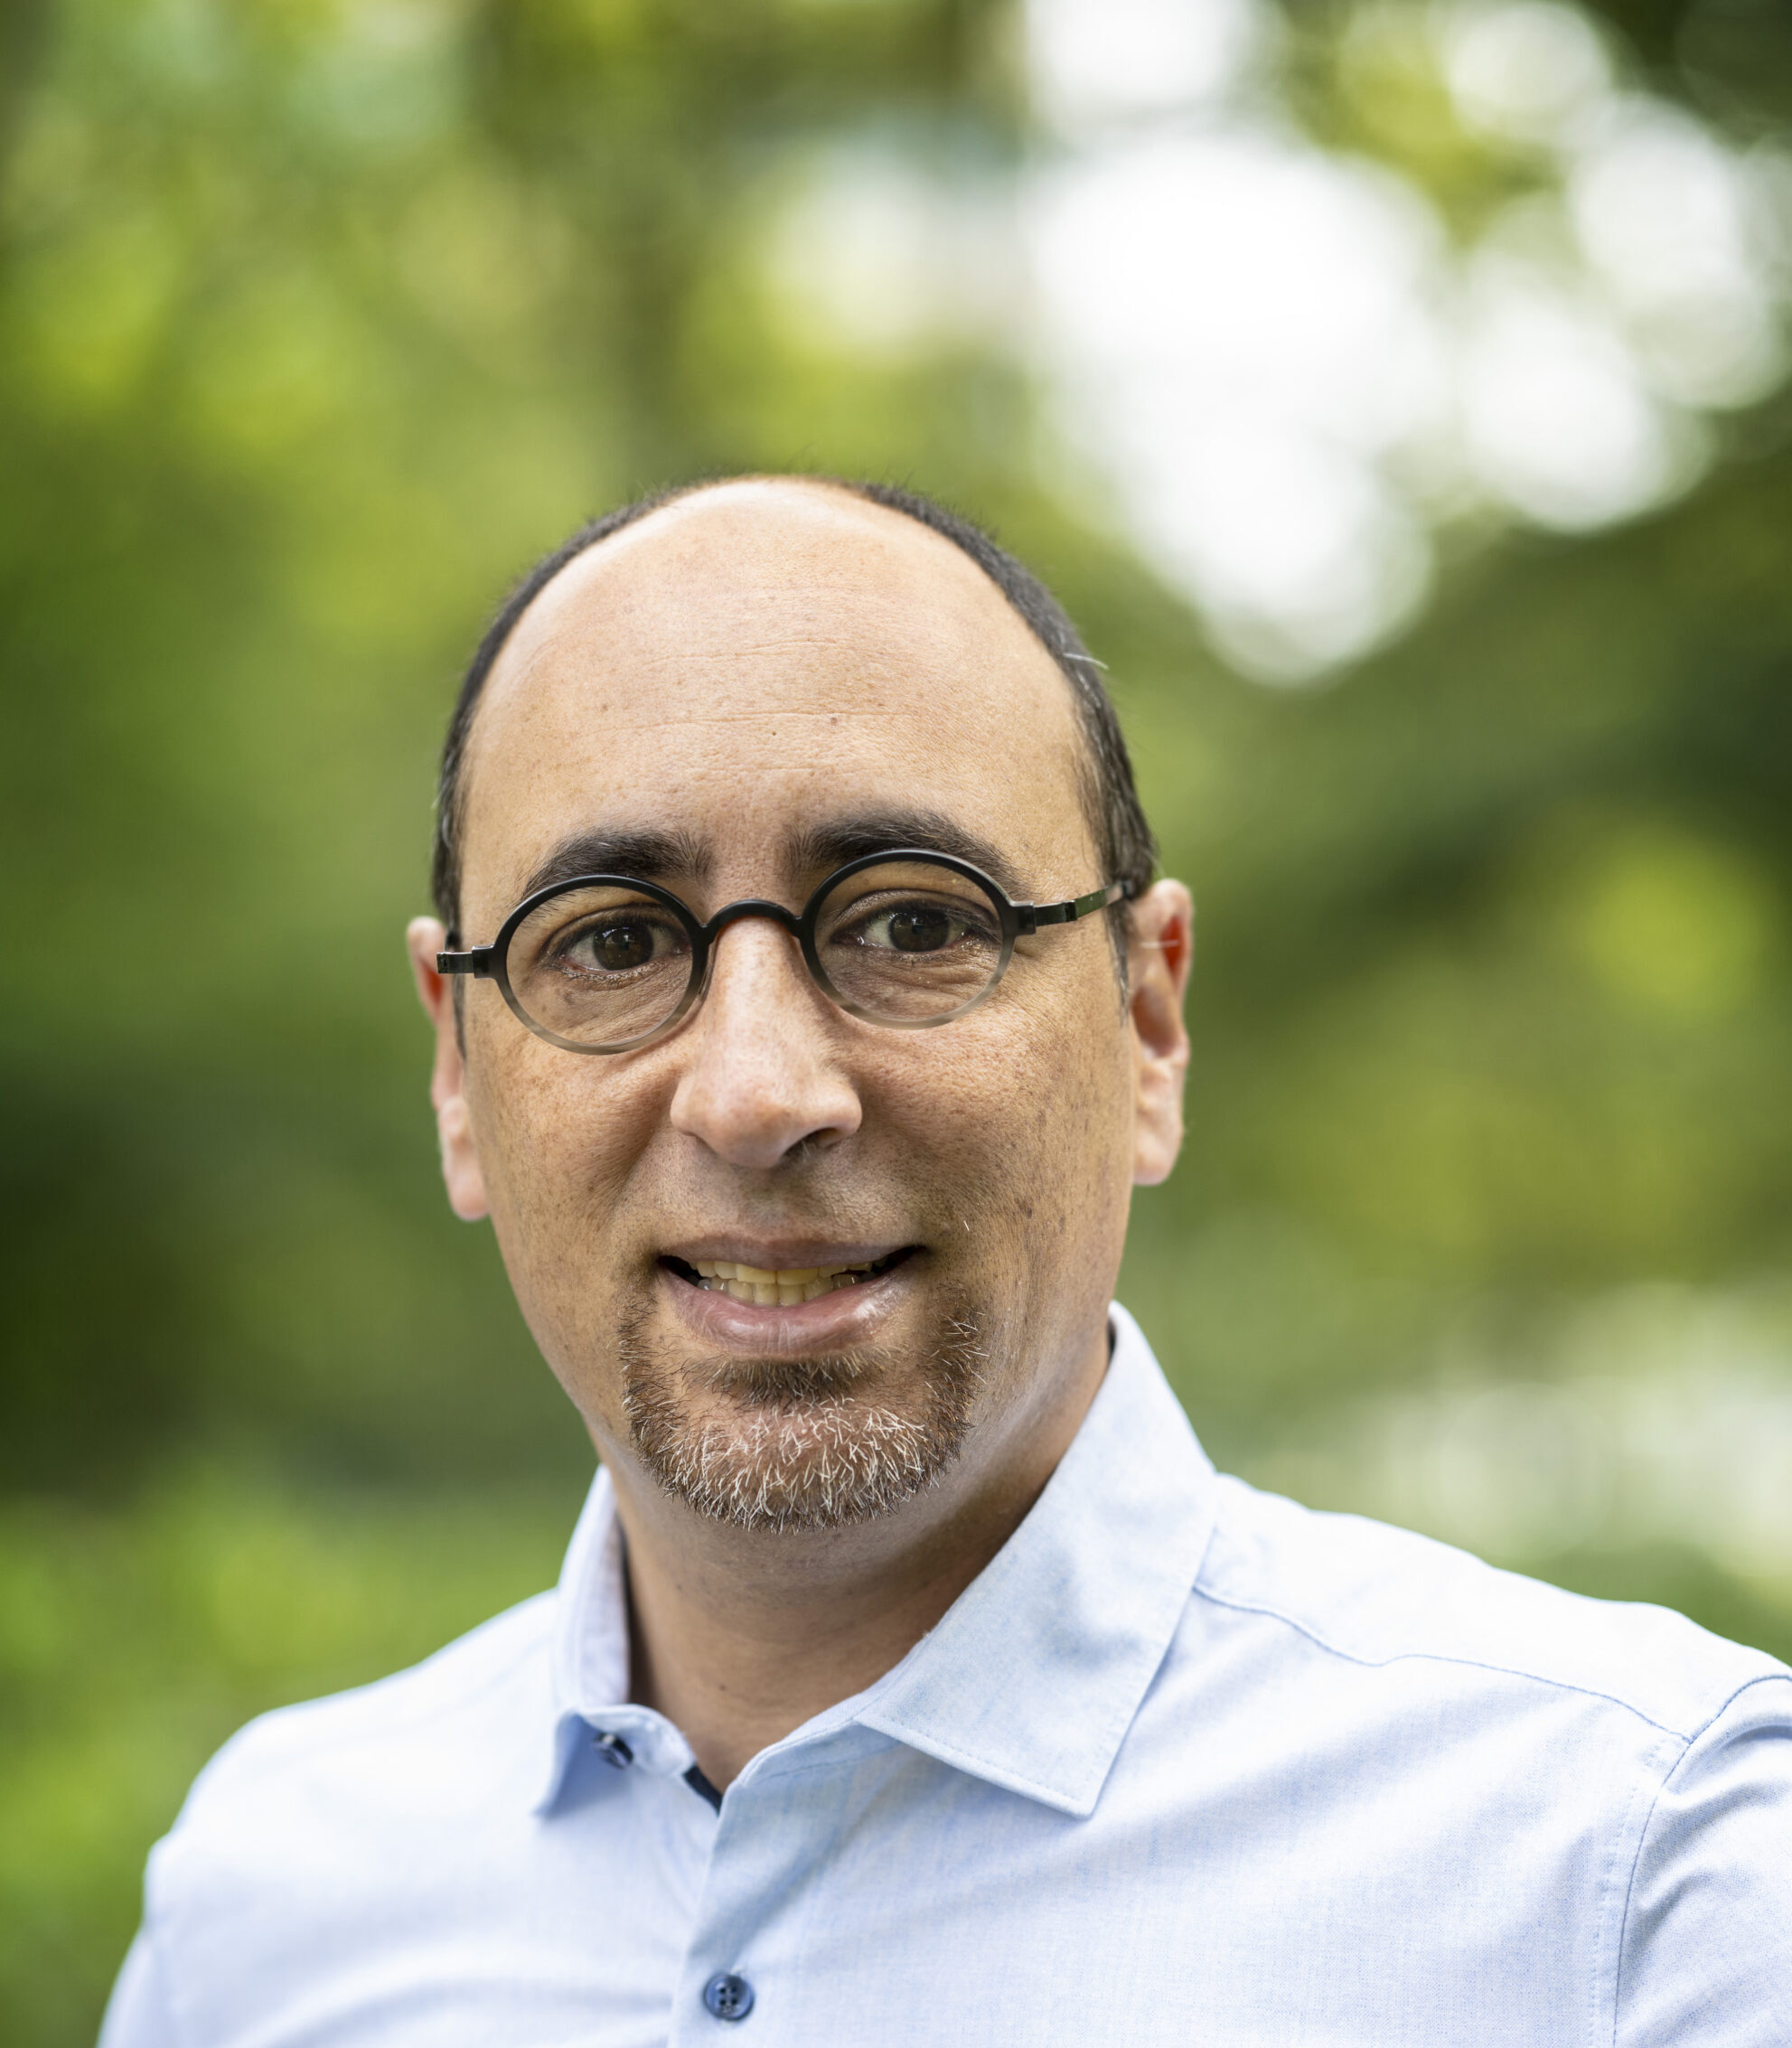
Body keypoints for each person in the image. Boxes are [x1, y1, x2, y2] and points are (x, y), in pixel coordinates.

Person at [101, 477, 1789, 2048]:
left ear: (1148, 1021)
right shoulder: (266, 1910)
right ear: (460, 1077)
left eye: (913, 921)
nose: (758, 1092)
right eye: (610, 942)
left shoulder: (1643, 1882)